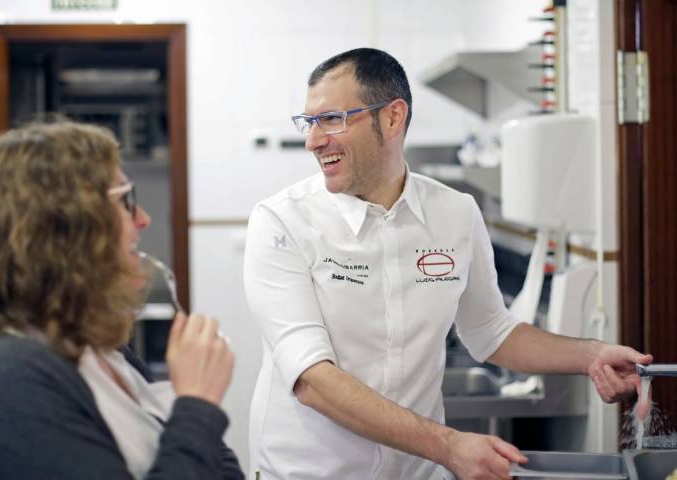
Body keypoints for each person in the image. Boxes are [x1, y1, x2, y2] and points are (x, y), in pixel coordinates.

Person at [243, 48, 652, 480]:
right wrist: (448, 445)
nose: (313, 140)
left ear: (393, 118)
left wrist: (590, 355)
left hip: (416, 473)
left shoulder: (455, 213)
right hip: (309, 473)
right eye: (309, 122)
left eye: (332, 119)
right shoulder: (281, 222)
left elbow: (492, 333)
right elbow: (312, 380)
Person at [0, 121, 244, 480]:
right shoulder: (5, 379)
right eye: (126, 201)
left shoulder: (98, 346)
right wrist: (198, 405)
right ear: (61, 227)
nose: (143, 218)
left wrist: (195, 409)